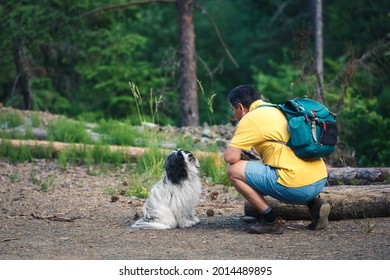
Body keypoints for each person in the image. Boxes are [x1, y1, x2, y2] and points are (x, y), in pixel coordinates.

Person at [224, 85, 330, 234]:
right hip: (319, 179)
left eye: (232, 109)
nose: (233, 114)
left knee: (233, 170)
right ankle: (314, 204)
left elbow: (230, 157)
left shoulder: (250, 118)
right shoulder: (278, 109)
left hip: (296, 187)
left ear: (240, 107)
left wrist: (240, 156)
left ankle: (271, 220)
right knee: (277, 164)